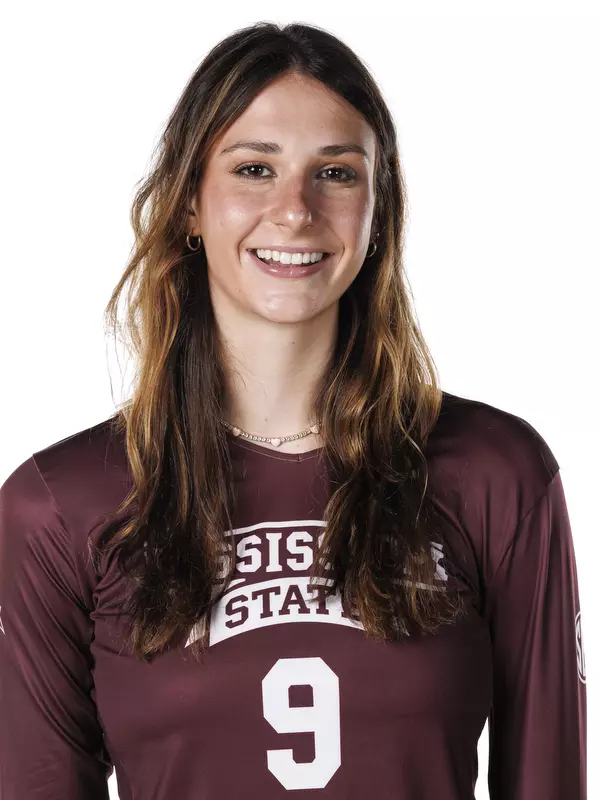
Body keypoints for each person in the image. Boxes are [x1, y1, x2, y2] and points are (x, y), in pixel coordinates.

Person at [0, 20, 587, 800]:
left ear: (379, 212)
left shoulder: (496, 473)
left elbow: (548, 779)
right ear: (189, 207)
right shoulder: (60, 506)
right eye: (253, 169)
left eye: (337, 174)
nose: (295, 210)